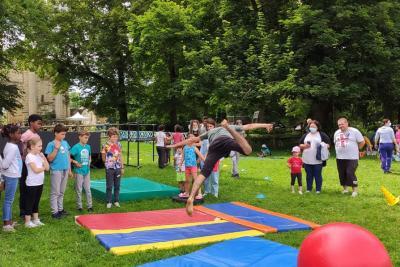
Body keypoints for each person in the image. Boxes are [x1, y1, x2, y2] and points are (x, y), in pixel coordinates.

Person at [168, 119, 273, 215]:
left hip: (214, 147)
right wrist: (266, 124)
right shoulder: (227, 127)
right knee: (248, 150)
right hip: (225, 141)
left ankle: (191, 197)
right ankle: (233, 133)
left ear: (213, 126)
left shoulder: (209, 132)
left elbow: (191, 140)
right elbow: (250, 126)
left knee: (204, 173)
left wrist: (174, 145)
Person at [334, 118, 365, 197]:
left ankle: (355, 190)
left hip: (352, 157)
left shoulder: (354, 131)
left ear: (347, 123)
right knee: (342, 173)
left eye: (342, 124)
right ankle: (345, 189)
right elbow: (335, 143)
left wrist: (357, 149)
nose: (341, 126)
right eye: (339, 125)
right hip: (340, 157)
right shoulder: (337, 133)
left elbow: (362, 142)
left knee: (350, 173)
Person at [45, 124, 71, 219]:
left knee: (61, 191)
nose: (64, 136)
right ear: (56, 133)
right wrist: (56, 148)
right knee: (55, 192)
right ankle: (54, 212)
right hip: (56, 170)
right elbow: (49, 159)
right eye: (62, 134)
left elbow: (68, 155)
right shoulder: (51, 144)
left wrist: (69, 169)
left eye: (65, 134)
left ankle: (60, 209)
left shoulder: (65, 142)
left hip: (65, 169)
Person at [19, 114, 42, 217]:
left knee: (34, 187)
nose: (40, 126)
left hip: (35, 163)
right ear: (31, 123)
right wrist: (23, 155)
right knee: (25, 187)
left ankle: (33, 210)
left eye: (41, 124)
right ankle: (24, 211)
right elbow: (19, 145)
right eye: (38, 123)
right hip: (26, 164)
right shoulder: (26, 134)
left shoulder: (37, 135)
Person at [0, 125, 22, 232]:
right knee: (8, 200)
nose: (20, 134)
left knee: (9, 200)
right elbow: (4, 164)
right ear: (11, 134)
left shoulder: (10, 145)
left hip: (11, 175)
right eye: (18, 133)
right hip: (11, 176)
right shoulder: (13, 147)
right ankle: (6, 224)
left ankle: (9, 221)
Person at [299, 120, 330, 194]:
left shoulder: (322, 135)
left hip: (318, 159)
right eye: (311, 126)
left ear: (317, 127)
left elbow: (328, 144)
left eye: (314, 126)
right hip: (307, 159)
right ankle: (309, 188)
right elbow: (300, 144)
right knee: (308, 175)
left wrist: (323, 145)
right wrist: (304, 146)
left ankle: (318, 189)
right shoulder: (306, 135)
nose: (312, 128)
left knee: (317, 174)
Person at [24, 138, 49, 228]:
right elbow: (36, 170)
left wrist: (44, 158)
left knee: (36, 201)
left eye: (41, 146)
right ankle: (27, 221)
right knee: (30, 202)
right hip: (32, 183)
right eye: (39, 146)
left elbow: (47, 168)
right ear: (32, 147)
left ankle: (36, 219)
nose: (41, 148)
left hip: (39, 182)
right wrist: (43, 168)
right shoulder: (29, 156)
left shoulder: (39, 156)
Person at [101, 127, 124, 208]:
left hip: (117, 168)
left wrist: (122, 167)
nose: (115, 138)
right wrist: (107, 163)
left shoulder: (119, 144)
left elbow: (121, 156)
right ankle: (109, 201)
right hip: (109, 169)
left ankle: (116, 201)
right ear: (109, 137)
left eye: (116, 136)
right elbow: (103, 157)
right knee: (109, 186)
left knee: (117, 185)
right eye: (113, 136)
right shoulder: (105, 145)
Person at [70, 130, 93, 212]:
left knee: (88, 189)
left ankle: (90, 206)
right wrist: (75, 162)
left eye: (88, 138)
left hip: (87, 171)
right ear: (80, 137)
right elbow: (68, 157)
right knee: (79, 189)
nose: (87, 139)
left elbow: (89, 155)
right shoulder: (76, 147)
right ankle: (79, 206)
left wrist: (90, 161)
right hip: (78, 171)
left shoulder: (88, 147)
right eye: (85, 138)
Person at [178, 134, 205, 200]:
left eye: (192, 139)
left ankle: (199, 193)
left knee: (196, 180)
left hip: (193, 166)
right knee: (187, 180)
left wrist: (206, 162)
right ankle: (187, 193)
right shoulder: (185, 147)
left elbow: (201, 156)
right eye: (190, 139)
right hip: (187, 167)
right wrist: (180, 164)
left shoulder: (194, 148)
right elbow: (183, 157)